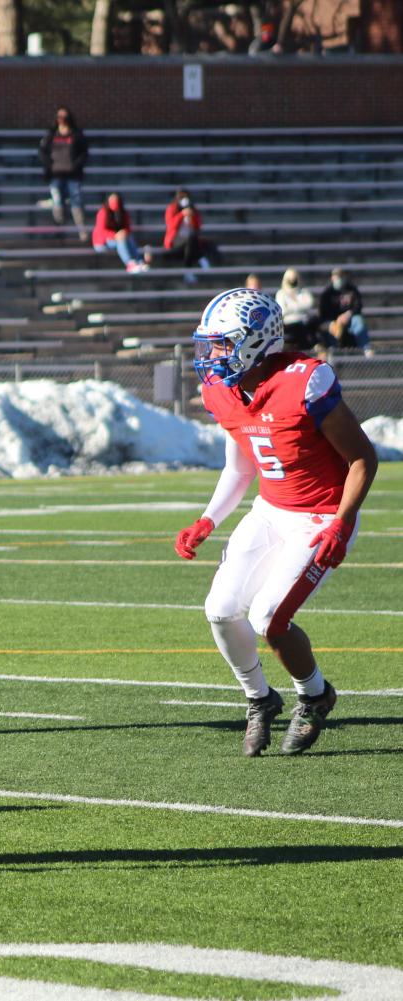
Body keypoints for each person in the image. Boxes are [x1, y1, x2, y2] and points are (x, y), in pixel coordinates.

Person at [174, 288, 376, 757]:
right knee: (220, 610)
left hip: (322, 514)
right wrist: (208, 519)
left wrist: (341, 525)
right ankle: (260, 699)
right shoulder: (222, 390)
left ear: (254, 342)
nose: (212, 355)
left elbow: (363, 458)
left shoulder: (304, 380)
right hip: (271, 510)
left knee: (269, 616)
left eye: (223, 344)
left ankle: (314, 694)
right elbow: (240, 467)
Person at [38, 106, 88, 239]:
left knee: (76, 200)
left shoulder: (76, 134)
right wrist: (50, 165)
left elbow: (84, 153)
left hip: (73, 174)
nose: (62, 120)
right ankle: (58, 229)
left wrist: (74, 165)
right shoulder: (51, 134)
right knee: (57, 201)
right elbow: (42, 151)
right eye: (59, 117)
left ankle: (82, 230)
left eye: (64, 117)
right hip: (56, 174)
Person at [318, 268, 374, 358]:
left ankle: (366, 349)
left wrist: (348, 314)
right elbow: (323, 312)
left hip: (349, 319)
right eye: (335, 277)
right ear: (332, 278)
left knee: (358, 321)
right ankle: (334, 354)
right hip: (333, 320)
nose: (338, 279)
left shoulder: (351, 289)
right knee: (330, 328)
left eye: (340, 277)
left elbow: (358, 306)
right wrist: (335, 320)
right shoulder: (327, 293)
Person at [163, 189, 214, 282]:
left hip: (190, 243)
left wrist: (192, 217)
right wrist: (181, 215)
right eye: (181, 196)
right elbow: (170, 225)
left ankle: (190, 272)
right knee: (191, 242)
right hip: (175, 241)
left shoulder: (193, 209)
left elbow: (198, 227)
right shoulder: (172, 208)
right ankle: (200, 259)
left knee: (194, 241)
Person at [91, 193, 148, 272]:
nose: (114, 203)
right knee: (121, 239)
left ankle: (139, 261)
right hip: (102, 243)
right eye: (112, 200)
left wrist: (123, 233)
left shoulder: (123, 213)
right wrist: (115, 235)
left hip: (118, 240)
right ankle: (129, 264)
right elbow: (101, 232)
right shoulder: (103, 212)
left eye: (116, 200)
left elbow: (127, 228)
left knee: (128, 237)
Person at [276, 268, 320, 353]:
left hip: (304, 323)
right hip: (289, 325)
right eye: (290, 280)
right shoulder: (281, 293)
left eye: (294, 279)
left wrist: (291, 307)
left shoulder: (304, 292)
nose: (293, 282)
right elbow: (283, 310)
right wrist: (300, 307)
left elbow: (310, 305)